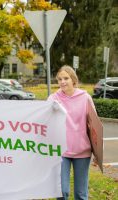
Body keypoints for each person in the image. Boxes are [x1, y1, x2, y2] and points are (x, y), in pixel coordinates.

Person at [48, 65, 95, 200]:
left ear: (73, 80)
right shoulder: (53, 98)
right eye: (59, 79)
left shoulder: (85, 97)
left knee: (81, 193)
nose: (62, 82)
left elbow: (95, 126)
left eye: (66, 78)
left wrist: (99, 151)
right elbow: (43, 118)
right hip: (61, 150)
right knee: (62, 191)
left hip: (82, 150)